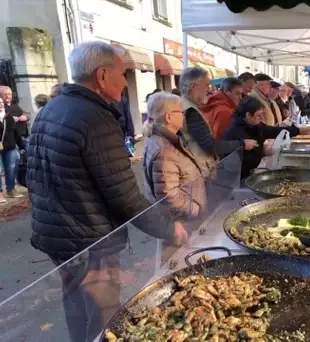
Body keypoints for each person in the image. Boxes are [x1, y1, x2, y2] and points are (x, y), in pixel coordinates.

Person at [27, 41, 186, 342]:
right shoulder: (97, 120)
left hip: (56, 238)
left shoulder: (51, 109)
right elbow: (125, 196)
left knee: (76, 308)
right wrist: (169, 229)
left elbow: (30, 176)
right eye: (123, 73)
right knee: (104, 319)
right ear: (102, 75)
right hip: (90, 242)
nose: (126, 81)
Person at [180, 67, 257, 173]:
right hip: (199, 171)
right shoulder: (191, 112)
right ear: (193, 86)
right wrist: (242, 144)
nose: (210, 89)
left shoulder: (191, 106)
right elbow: (210, 145)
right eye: (207, 85)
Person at [143, 91, 206, 221]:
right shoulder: (164, 150)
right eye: (180, 112)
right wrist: (195, 209)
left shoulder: (168, 140)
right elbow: (169, 195)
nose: (183, 116)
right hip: (181, 224)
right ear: (169, 117)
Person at [223, 96, 310, 178]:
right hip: (238, 179)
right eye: (258, 115)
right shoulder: (234, 132)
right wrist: (262, 151)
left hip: (251, 172)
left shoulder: (254, 125)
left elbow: (273, 131)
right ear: (248, 115)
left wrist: (299, 130)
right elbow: (239, 161)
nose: (262, 118)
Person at [0, 98, 25, 203]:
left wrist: (21, 146)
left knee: (11, 169)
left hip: (9, 146)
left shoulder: (8, 116)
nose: (1, 104)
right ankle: (0, 193)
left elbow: (15, 131)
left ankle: (10, 189)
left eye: (1, 102)